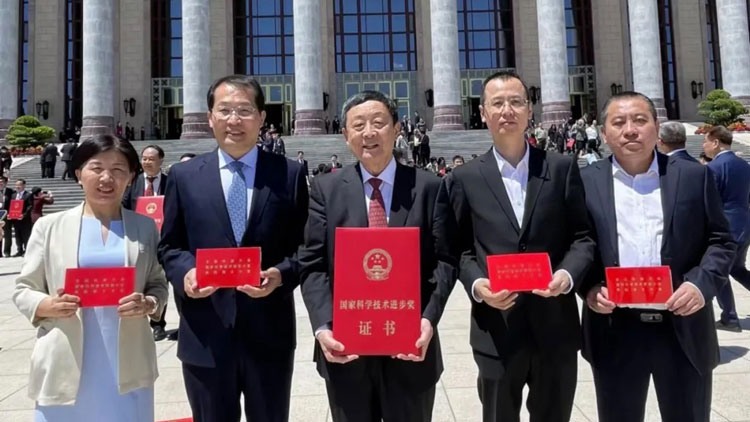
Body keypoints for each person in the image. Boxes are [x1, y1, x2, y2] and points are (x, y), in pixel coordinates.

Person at [437, 71, 595, 422]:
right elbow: (458, 249)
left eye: (516, 102)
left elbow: (582, 236)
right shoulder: (464, 178)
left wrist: (567, 275)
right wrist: (478, 285)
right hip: (497, 328)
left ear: (529, 110)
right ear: (483, 113)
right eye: (497, 103)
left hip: (555, 325)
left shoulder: (561, 168)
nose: (507, 110)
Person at [157, 74, 309, 422]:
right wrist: (187, 274)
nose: (234, 120)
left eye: (244, 110)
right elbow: (170, 246)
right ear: (209, 117)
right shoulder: (184, 176)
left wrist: (281, 274)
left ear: (261, 117)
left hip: (269, 335)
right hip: (205, 333)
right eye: (224, 110)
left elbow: (306, 246)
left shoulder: (289, 174)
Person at [299, 90, 455, 422]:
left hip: (411, 349)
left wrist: (427, 319)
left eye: (378, 123)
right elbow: (312, 264)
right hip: (346, 352)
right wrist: (323, 326)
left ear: (397, 128)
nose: (369, 133)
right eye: (358, 125)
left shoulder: (428, 187)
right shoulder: (326, 190)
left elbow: (444, 261)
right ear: (345, 135)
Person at [579, 92, 735, 422]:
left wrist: (699, 286)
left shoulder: (693, 177)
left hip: (683, 327)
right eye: (618, 122)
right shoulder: (584, 183)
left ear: (656, 126)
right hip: (615, 328)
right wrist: (589, 288)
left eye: (640, 120)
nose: (630, 130)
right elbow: (577, 244)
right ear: (604, 133)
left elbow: (721, 242)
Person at [12, 134, 168, 421]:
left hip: (128, 357)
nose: (106, 178)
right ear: (78, 174)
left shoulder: (144, 227)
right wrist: (46, 305)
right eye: (96, 168)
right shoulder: (50, 226)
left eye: (118, 169)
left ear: (131, 178)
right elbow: (24, 288)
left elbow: (158, 283)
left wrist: (148, 303)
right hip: (65, 354)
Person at [702, 125, 750, 332]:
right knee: (737, 268)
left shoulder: (713, 168)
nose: (704, 146)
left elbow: (710, 201)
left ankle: (729, 318)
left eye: (705, 141)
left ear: (715, 143)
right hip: (744, 223)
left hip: (725, 227)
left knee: (720, 271)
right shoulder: (744, 165)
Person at [122, 145, 170, 341]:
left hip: (165, 239)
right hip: (139, 239)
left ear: (161, 161)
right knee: (141, 279)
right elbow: (124, 205)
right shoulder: (133, 182)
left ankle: (158, 323)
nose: (147, 162)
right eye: (144, 158)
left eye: (151, 159)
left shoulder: (170, 182)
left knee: (161, 281)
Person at [11, 179, 33, 257]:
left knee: (26, 235)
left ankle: (27, 251)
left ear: (24, 185)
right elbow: (11, 206)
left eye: (19, 185)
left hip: (25, 219)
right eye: (16, 185)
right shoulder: (13, 195)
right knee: (17, 235)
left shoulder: (28, 195)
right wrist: (10, 214)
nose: (17, 186)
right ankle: (19, 250)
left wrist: (24, 215)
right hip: (16, 219)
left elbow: (30, 206)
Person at [0, 177, 14, 257]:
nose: (0, 183)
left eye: (2, 181)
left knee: (7, 234)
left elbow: (13, 203)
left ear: (5, 183)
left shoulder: (10, 191)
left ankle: (7, 252)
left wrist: (11, 214)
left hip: (7, 216)